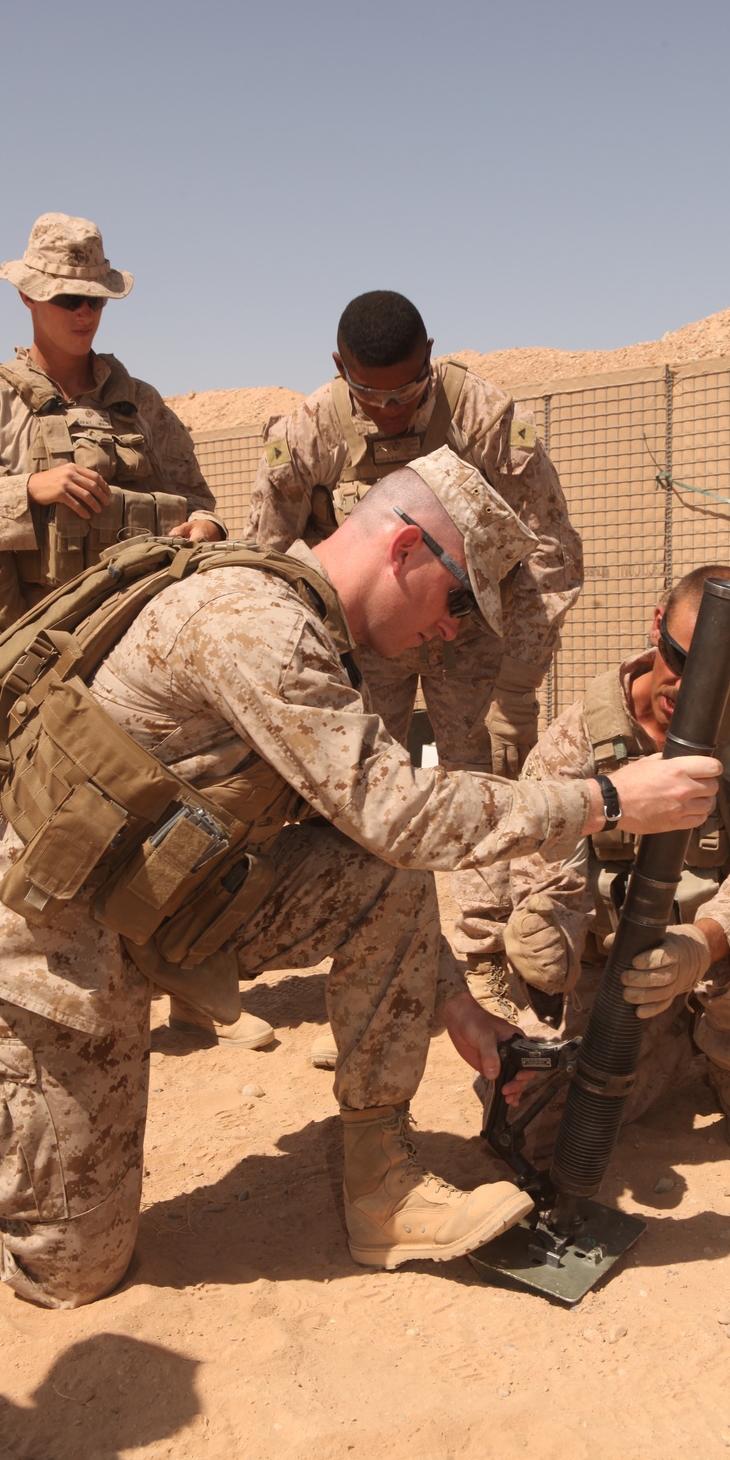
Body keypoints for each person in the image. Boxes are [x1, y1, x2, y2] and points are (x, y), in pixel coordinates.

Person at [0, 447, 720, 1308]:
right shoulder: (256, 626)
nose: (457, 628)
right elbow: (406, 814)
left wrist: (460, 1012)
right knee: (70, 1269)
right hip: (44, 965)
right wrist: (605, 799)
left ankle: (381, 1190)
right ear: (406, 550)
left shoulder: (306, 629)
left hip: (151, 914)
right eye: (460, 598)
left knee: (378, 876)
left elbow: (371, 847)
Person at [0, 212, 274, 1051]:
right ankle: (40, 1010)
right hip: (35, 663)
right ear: (26, 294)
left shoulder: (142, 405)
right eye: (64, 296)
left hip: (135, 655)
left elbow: (202, 500)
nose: (82, 311)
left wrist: (200, 529)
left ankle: (191, 987)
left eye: (93, 296)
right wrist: (32, 493)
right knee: (40, 833)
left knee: (173, 817)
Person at [244, 291, 584, 1025]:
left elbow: (552, 552)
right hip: (367, 639)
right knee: (359, 795)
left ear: (430, 355)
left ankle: (486, 954)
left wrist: (519, 679)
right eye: (370, 392)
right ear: (340, 369)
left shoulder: (484, 416)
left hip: (474, 632)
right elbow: (264, 556)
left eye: (406, 391)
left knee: (482, 774)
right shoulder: (307, 432)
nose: (391, 409)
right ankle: (371, 969)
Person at [500, 564, 730, 1164]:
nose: (690, 685)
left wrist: (702, 947)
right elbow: (543, 857)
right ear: (657, 627)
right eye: (679, 657)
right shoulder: (581, 735)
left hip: (721, 951)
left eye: (726, 671)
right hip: (622, 959)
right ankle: (677, 1041)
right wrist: (549, 925)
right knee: (538, 1126)